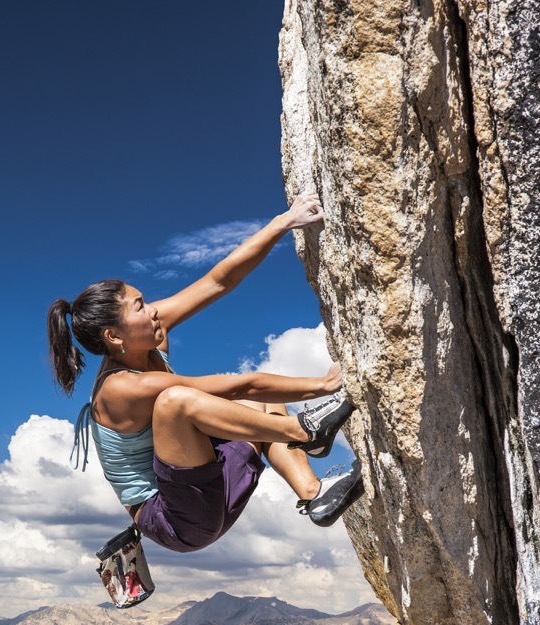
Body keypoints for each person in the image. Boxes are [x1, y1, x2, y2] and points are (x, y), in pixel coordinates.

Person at [47, 193, 363, 556]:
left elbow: (218, 281)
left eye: (145, 301)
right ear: (114, 335)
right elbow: (236, 385)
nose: (152, 311)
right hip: (175, 520)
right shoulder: (120, 389)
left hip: (208, 485)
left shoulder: (148, 335)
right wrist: (324, 386)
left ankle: (315, 494)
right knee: (175, 402)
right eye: (139, 307)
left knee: (257, 401)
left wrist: (284, 222)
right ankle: (305, 431)